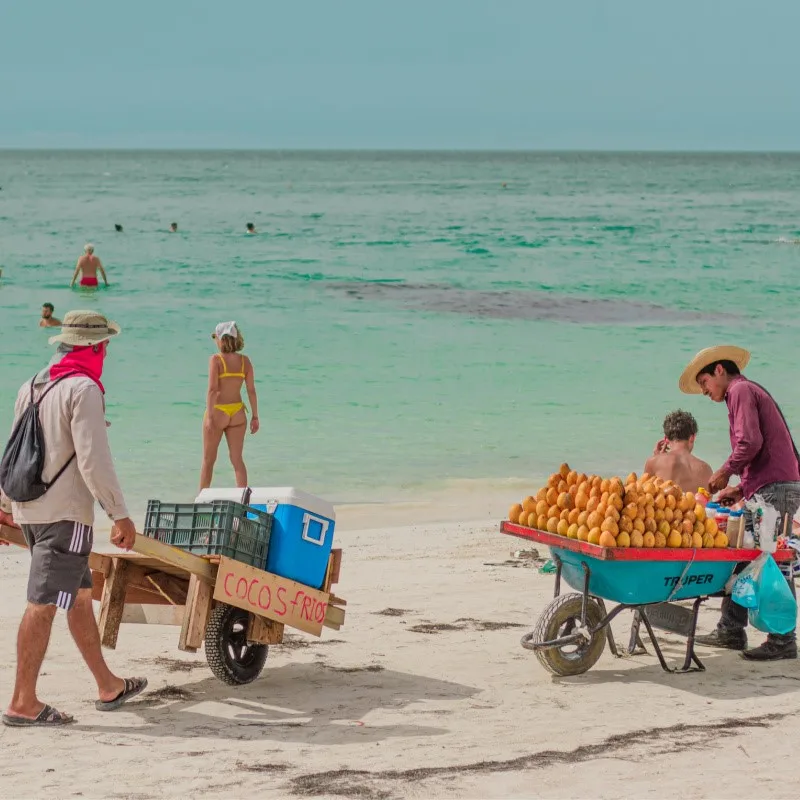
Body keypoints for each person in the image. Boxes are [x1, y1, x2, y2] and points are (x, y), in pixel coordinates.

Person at [0, 310, 147, 726]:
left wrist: (7, 505)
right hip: (66, 516)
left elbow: (14, 451)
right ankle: (22, 702)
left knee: (79, 596)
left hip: (31, 510)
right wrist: (119, 514)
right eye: (107, 347)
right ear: (96, 347)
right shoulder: (84, 389)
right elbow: (94, 461)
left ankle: (108, 685)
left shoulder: (31, 386)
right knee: (43, 603)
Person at [679, 345, 800, 660]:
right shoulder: (743, 392)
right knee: (742, 554)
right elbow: (759, 450)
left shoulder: (740, 390)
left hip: (776, 488)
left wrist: (724, 472)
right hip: (766, 485)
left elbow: (750, 442)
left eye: (704, 382)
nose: (705, 391)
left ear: (719, 370)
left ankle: (783, 639)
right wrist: (742, 488)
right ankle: (731, 630)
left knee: (775, 561)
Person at [200, 321, 259, 490]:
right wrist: (255, 416)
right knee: (237, 460)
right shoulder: (245, 361)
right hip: (238, 413)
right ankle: (243, 504)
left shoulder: (216, 360)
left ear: (222, 340)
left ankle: (201, 502)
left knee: (208, 460)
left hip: (218, 412)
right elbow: (251, 391)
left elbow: (212, 390)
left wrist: (210, 417)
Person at [643, 410, 712, 493]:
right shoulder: (706, 469)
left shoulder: (654, 462)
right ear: (692, 437)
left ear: (666, 439)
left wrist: (657, 458)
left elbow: (645, 495)